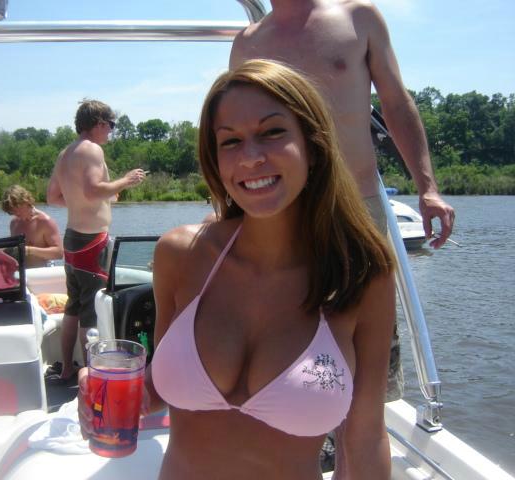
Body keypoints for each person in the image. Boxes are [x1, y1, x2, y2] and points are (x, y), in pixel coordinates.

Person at [79, 60, 396, 478]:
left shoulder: (362, 274)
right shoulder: (180, 255)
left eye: (272, 132)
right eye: (230, 141)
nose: (250, 158)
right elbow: (160, 387)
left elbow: (366, 435)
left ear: (313, 146)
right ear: (215, 160)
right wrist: (117, 391)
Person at [229, 0, 455, 403]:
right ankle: (304, 430)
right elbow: (237, 129)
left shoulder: (358, 19)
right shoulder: (247, 44)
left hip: (357, 210)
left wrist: (428, 188)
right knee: (290, 340)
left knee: (368, 345)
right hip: (283, 216)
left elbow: (396, 103)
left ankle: (365, 428)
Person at [47, 99, 146, 382]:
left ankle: (68, 369)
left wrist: (93, 200)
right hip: (91, 242)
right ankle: (92, 376)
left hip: (71, 239)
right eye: (111, 125)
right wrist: (126, 180)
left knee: (73, 307)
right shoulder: (91, 149)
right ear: (99, 123)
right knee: (90, 312)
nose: (111, 131)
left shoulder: (65, 153)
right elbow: (92, 190)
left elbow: (53, 197)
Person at [1, 184, 63, 268]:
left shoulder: (45, 222)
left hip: (41, 271)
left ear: (25, 201)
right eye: (11, 211)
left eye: (16, 208)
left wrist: (29, 250)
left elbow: (59, 253)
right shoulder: (14, 223)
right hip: (21, 271)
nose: (14, 213)